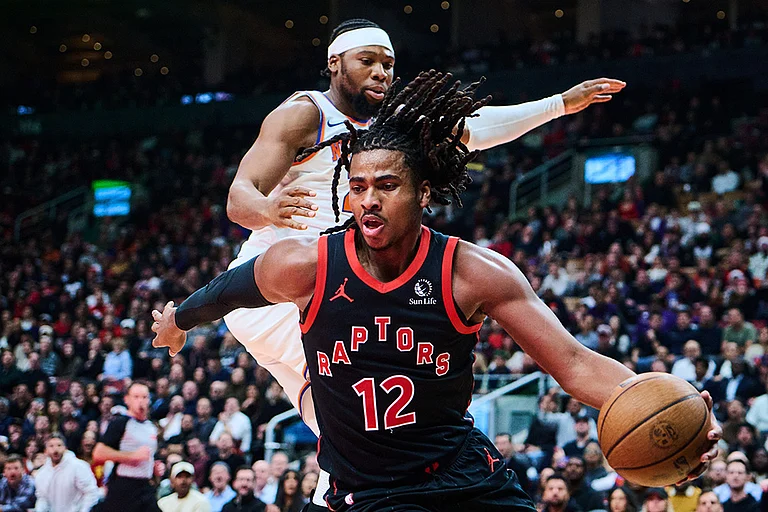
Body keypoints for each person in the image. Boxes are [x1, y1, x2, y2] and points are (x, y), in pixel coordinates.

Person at [152, 70, 717, 511]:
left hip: (462, 471)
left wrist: (671, 402)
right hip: (373, 491)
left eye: (387, 186)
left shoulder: (473, 272)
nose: (367, 200)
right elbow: (226, 292)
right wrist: (178, 320)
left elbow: (572, 362)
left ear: (424, 194)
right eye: (358, 186)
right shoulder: (307, 265)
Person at [93, 382, 160, 512]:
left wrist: (154, 467)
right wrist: (131, 457)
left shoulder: (151, 427)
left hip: (145, 485)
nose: (141, 401)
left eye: (144, 397)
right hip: (124, 485)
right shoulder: (120, 422)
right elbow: (98, 453)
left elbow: (147, 456)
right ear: (127, 399)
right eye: (136, 397)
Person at [34, 433, 100, 512]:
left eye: (59, 445)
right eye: (51, 446)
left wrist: (84, 510)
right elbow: (42, 498)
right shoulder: (42, 473)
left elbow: (91, 492)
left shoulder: (78, 466)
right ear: (46, 451)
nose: (55, 450)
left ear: (65, 448)